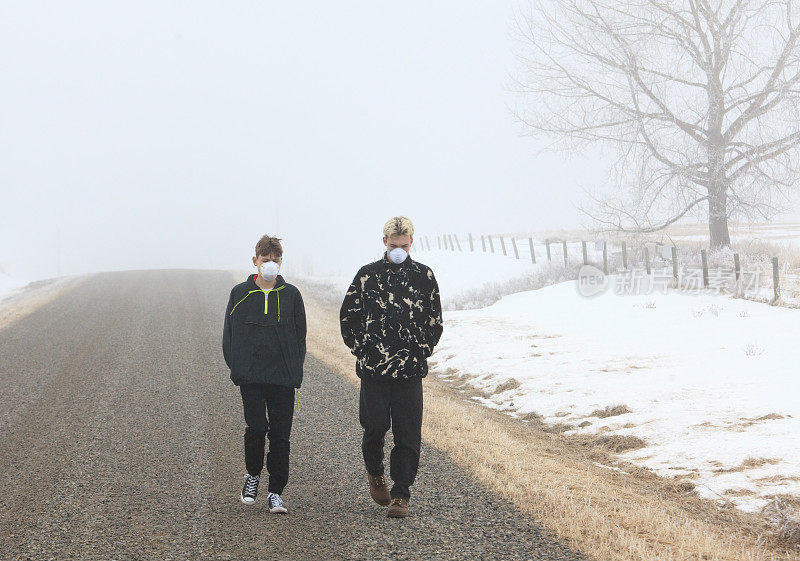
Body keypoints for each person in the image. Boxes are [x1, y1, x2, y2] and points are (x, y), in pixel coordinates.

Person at [339, 216, 443, 518]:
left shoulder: (424, 276)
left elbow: (434, 321)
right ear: (384, 242)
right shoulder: (367, 276)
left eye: (405, 245)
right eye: (394, 245)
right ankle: (375, 473)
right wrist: (363, 350)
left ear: (412, 243)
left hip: (409, 373)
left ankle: (401, 494)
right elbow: (349, 317)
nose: (399, 250)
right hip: (374, 372)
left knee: (407, 434)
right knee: (374, 428)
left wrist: (421, 350)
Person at [222, 235, 306, 514]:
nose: (270, 265)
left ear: (281, 262)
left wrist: (295, 372)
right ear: (255, 261)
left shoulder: (292, 295)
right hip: (252, 378)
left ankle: (276, 492)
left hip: (283, 379)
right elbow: (229, 335)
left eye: (275, 260)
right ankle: (253, 476)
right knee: (256, 427)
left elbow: (300, 337)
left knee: (281, 436)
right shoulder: (240, 293)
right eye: (265, 260)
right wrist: (238, 369)